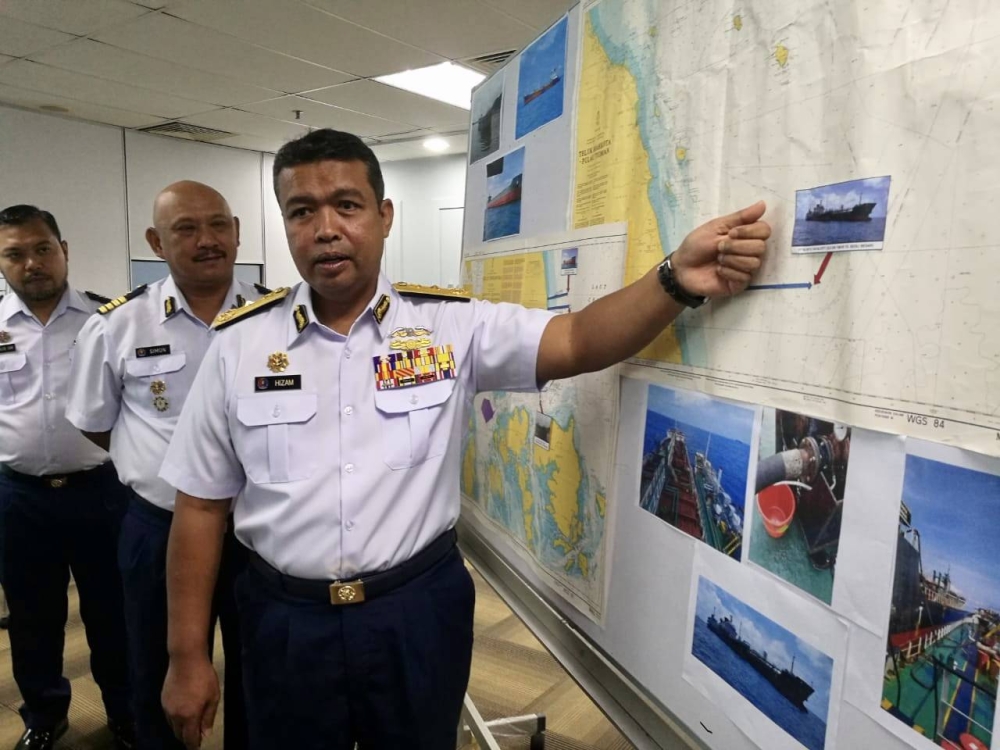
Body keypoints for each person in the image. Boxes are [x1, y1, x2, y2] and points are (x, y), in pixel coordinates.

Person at [158, 129, 771, 750]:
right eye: (301, 211)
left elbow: (579, 339)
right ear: (286, 226)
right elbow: (201, 506)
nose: (325, 228)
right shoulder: (237, 347)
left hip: (415, 612)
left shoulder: (449, 326)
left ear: (384, 216)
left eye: (346, 205)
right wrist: (187, 656)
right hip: (283, 620)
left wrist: (674, 278)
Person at [65, 182, 264, 749]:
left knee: (260, 665)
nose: (208, 240)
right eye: (186, 229)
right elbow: (92, 420)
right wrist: (154, 465)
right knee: (157, 665)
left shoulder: (277, 317)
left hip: (255, 527)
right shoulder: (118, 325)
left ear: (238, 231)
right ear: (156, 241)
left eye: (219, 225)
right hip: (158, 527)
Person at [0, 205, 135, 750]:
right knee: (32, 616)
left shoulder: (109, 318)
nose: (31, 263)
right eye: (14, 253)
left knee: (113, 613)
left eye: (42, 249)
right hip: (18, 496)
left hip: (100, 493)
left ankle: (126, 712)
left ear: (64, 250)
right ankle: (46, 713)